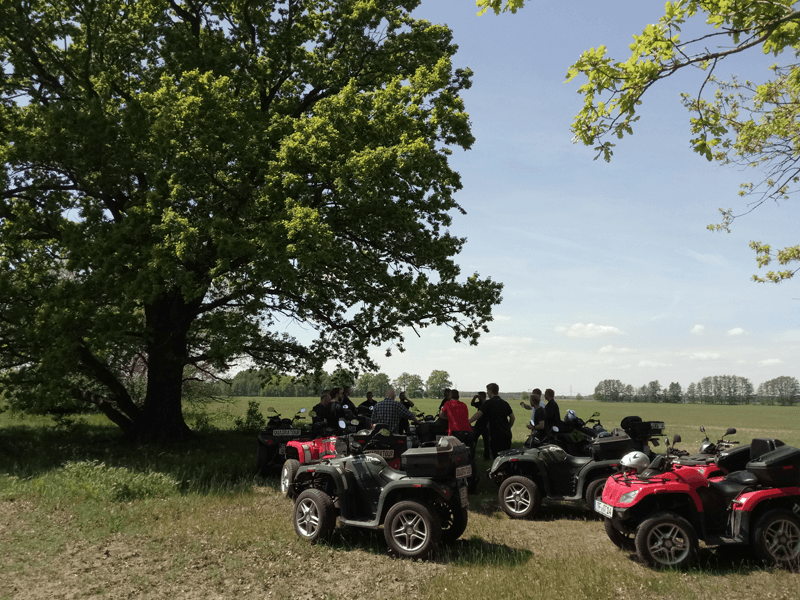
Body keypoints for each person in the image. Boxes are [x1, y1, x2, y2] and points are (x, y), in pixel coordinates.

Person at [469, 383, 514, 458]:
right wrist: (508, 427)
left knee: (497, 458)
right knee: (505, 458)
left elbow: (479, 414)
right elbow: (512, 417)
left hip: (496, 435)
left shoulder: (488, 403)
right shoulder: (505, 403)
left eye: (487, 390)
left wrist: (469, 421)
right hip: (507, 435)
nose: (487, 392)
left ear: (491, 391)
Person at [439, 389, 474, 458]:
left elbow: (441, 414)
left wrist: (448, 417)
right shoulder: (463, 404)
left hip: (456, 432)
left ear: (450, 397)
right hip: (468, 431)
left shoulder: (448, 403)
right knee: (470, 455)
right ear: (458, 396)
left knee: (457, 456)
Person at [471, 391, 492, 459]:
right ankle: (472, 454)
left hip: (485, 424)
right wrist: (474, 398)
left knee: (486, 442)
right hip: (479, 424)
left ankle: (487, 456)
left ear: (483, 396)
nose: (478, 397)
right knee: (474, 440)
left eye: (479, 396)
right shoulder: (479, 403)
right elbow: (472, 404)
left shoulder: (487, 403)